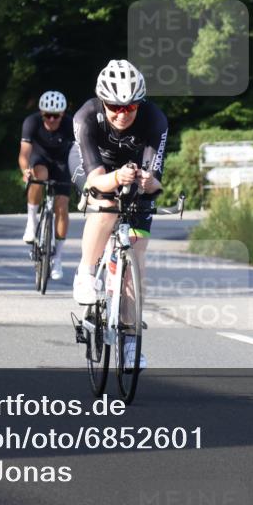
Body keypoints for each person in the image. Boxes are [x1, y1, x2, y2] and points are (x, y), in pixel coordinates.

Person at [69, 59, 168, 369]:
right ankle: (85, 273)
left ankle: (130, 342)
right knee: (107, 202)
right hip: (93, 168)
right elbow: (97, 178)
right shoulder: (87, 116)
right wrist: (116, 179)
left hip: (133, 172)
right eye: (115, 106)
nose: (122, 113)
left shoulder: (155, 119)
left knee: (135, 258)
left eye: (130, 107)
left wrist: (149, 182)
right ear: (103, 101)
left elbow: (155, 178)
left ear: (141, 104)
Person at [19, 90, 74, 280]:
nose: (51, 120)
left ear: (63, 114)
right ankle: (31, 220)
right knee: (38, 175)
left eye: (56, 116)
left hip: (62, 162)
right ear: (41, 114)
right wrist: (26, 170)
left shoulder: (70, 124)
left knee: (62, 206)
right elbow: (24, 154)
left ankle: (57, 257)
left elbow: (80, 154)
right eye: (47, 115)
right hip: (39, 158)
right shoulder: (31, 122)